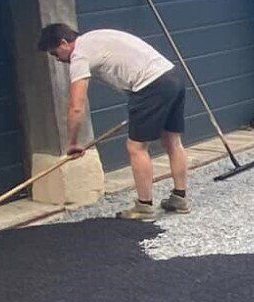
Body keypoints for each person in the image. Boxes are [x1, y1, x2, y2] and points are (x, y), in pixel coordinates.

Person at [38, 23, 189, 221]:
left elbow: (76, 105)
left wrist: (73, 143)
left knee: (136, 147)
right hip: (171, 75)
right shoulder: (95, 37)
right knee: (172, 141)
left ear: (64, 43)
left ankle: (144, 207)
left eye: (55, 53)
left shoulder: (79, 55)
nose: (57, 60)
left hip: (151, 85)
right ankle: (180, 198)